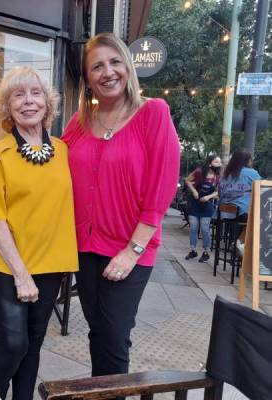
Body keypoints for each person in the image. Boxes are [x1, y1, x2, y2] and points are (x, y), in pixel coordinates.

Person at [61, 33, 180, 378]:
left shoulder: (152, 113)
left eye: (114, 62)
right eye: (97, 66)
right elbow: (52, 167)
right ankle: (103, 389)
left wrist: (132, 250)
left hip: (130, 248)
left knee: (114, 337)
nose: (107, 72)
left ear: (128, 67)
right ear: (87, 79)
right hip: (84, 247)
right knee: (98, 332)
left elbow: (160, 192)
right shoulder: (78, 123)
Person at [0, 66, 78, 399]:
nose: (29, 101)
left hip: (51, 262)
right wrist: (21, 275)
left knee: (34, 342)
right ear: (7, 107)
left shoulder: (63, 150)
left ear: (47, 102)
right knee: (14, 342)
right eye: (19, 95)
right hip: (8, 265)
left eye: (36, 93)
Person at [219, 149, 261, 244]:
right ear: (247, 160)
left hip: (224, 212)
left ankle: (236, 242)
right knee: (262, 220)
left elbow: (220, 193)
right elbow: (261, 188)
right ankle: (244, 246)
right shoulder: (251, 173)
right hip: (242, 212)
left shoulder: (225, 174)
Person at [185, 155, 221, 262]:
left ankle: (206, 252)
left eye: (220, 162)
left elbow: (218, 192)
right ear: (210, 163)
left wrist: (208, 197)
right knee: (193, 228)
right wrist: (194, 191)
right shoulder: (199, 171)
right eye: (217, 162)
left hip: (207, 206)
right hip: (194, 204)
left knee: (205, 230)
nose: (219, 164)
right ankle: (193, 250)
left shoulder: (218, 176)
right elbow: (187, 180)